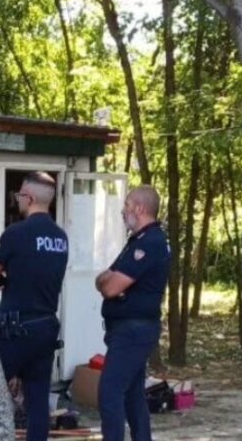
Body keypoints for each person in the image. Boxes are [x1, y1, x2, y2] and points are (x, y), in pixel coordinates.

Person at [0, 172, 68, 441]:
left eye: (20, 195)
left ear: (29, 198)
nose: (18, 199)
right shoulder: (60, 238)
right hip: (45, 328)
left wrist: (4, 278)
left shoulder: (15, 233)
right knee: (38, 402)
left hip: (15, 330)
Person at [95, 186, 170, 441]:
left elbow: (110, 287)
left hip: (134, 331)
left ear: (139, 208)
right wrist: (108, 282)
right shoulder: (136, 241)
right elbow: (104, 278)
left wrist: (110, 284)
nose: (123, 211)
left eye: (126, 205)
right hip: (127, 330)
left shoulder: (151, 242)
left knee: (110, 392)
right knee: (132, 394)